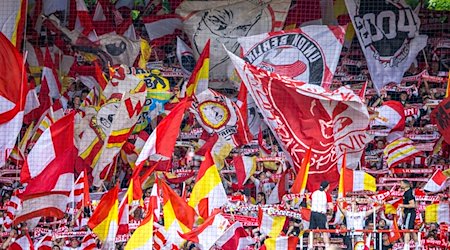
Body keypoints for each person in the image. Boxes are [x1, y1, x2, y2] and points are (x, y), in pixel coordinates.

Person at [308, 180, 332, 250]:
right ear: (327, 187)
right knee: (324, 231)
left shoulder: (314, 193)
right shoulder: (326, 194)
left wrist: (314, 205)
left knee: (311, 230)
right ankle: (327, 246)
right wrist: (330, 212)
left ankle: (310, 246)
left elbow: (308, 201)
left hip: (313, 213)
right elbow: (331, 207)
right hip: (321, 214)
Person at [398, 180, 419, 250]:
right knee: (411, 230)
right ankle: (417, 245)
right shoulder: (407, 192)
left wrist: (402, 205)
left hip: (410, 213)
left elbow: (413, 205)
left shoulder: (408, 193)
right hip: (409, 213)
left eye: (401, 183)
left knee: (406, 230)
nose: (400, 184)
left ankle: (406, 247)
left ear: (406, 184)